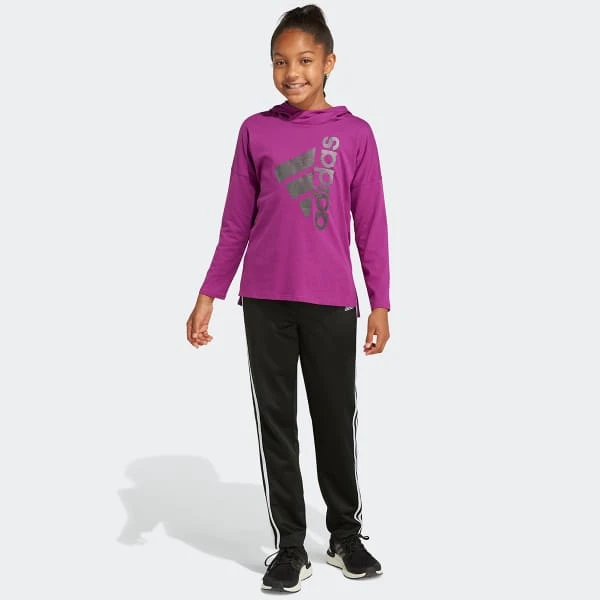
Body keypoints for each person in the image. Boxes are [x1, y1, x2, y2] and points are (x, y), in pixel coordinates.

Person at [186, 4, 390, 593]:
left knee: (334, 421)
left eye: (304, 61)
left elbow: (371, 223)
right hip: (265, 302)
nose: (291, 72)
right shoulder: (256, 130)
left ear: (329, 63)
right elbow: (235, 222)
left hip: (331, 304)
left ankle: (345, 535)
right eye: (280, 62)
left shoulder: (355, 134)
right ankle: (291, 546)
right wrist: (209, 293)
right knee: (277, 425)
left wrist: (380, 301)